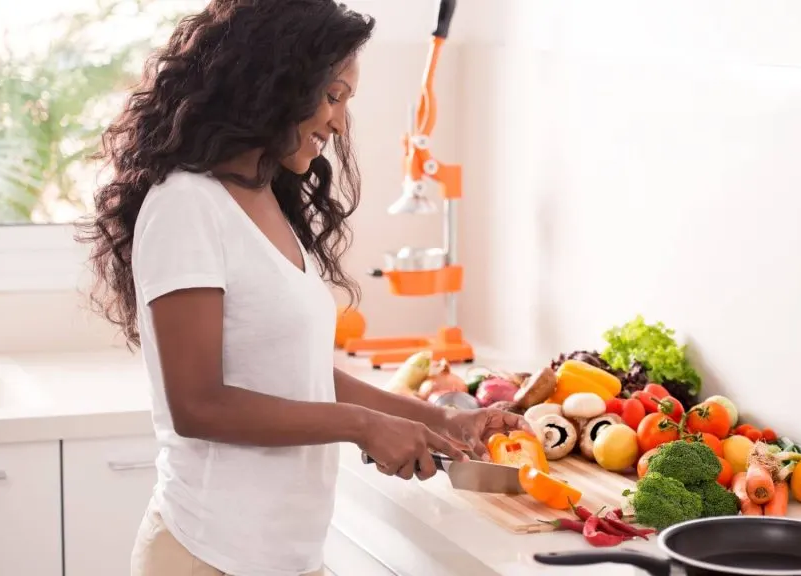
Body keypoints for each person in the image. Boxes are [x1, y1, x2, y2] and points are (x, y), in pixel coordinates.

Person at [75, 1, 534, 575]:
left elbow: (298, 371)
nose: (340, 123)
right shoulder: (186, 205)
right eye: (334, 96)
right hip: (209, 555)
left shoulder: (265, 198)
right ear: (276, 81)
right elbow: (196, 405)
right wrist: (363, 426)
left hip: (286, 557)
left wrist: (439, 422)